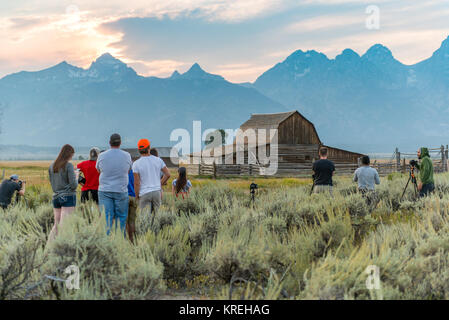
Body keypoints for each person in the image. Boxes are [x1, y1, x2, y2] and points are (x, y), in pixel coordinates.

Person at [96, 133, 132, 235]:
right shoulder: (127, 155)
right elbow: (128, 170)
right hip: (121, 190)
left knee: (107, 217)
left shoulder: (102, 155)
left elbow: (98, 170)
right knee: (121, 217)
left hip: (104, 190)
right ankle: (120, 241)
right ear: (120, 143)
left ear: (109, 143)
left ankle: (107, 243)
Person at [48, 144, 78, 241]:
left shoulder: (52, 166)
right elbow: (74, 185)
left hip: (56, 197)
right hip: (68, 197)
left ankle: (48, 250)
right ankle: (61, 249)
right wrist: (76, 176)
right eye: (72, 155)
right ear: (69, 154)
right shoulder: (68, 165)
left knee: (56, 226)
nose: (72, 157)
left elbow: (51, 182)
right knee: (65, 226)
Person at [133, 139, 170, 216]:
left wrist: (137, 196)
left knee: (146, 218)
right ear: (149, 148)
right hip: (157, 192)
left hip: (144, 193)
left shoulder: (136, 164)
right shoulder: (158, 160)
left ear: (139, 150)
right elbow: (168, 174)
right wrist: (159, 184)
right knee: (157, 217)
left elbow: (137, 183)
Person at [126, 160, 138, 243]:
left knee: (124, 220)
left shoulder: (123, 170)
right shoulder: (135, 170)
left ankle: (126, 239)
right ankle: (132, 240)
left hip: (125, 196)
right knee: (132, 221)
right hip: (134, 196)